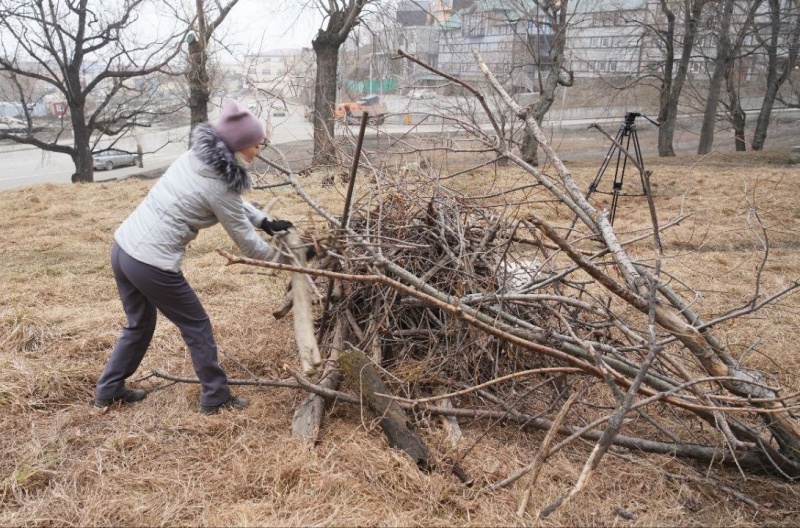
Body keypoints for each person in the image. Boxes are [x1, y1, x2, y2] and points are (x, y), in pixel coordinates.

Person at [95, 99, 293, 415]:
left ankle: (109, 390)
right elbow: (248, 245)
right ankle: (216, 397)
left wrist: (264, 221)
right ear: (239, 146)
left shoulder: (197, 158)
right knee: (197, 325)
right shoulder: (219, 185)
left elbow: (228, 199)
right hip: (150, 262)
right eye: (257, 145)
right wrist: (288, 260)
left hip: (123, 249)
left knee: (139, 324)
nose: (259, 151)